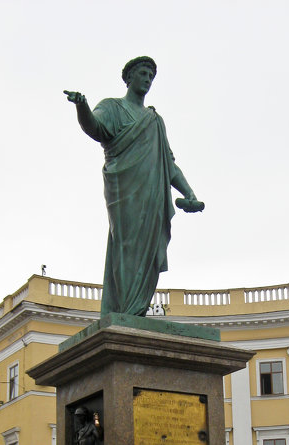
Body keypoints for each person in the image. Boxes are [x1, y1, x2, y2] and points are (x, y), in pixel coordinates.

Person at [64, 57, 204, 318]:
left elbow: (169, 165)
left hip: (152, 194)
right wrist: (82, 107)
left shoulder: (155, 120)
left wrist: (189, 192)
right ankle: (125, 310)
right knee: (126, 245)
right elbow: (95, 127)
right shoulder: (113, 107)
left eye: (152, 75)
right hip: (124, 188)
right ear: (129, 77)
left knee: (149, 252)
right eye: (143, 73)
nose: (148, 79)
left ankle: (135, 312)